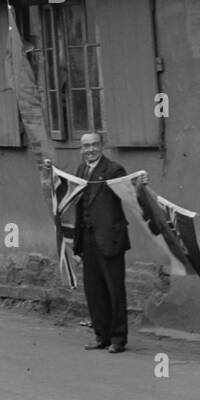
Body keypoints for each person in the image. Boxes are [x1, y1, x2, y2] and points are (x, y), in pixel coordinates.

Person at [72, 132, 130, 353]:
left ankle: (118, 339)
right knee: (94, 291)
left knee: (114, 290)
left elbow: (129, 192)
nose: (90, 150)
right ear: (81, 149)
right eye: (86, 146)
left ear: (102, 146)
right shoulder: (80, 170)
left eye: (95, 145)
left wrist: (141, 183)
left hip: (110, 239)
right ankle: (101, 335)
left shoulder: (114, 169)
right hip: (88, 239)